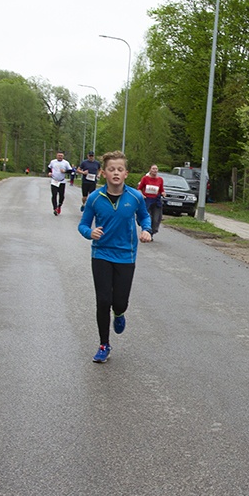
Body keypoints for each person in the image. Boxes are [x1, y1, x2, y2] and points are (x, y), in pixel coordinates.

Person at [78, 150, 153, 363]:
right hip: (101, 253)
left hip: (126, 255)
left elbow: (144, 217)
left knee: (119, 303)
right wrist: (89, 233)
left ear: (126, 173)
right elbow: (83, 224)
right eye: (112, 169)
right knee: (103, 300)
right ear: (103, 173)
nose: (116, 173)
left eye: (120, 169)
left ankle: (119, 314)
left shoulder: (135, 197)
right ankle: (104, 344)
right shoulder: (95, 198)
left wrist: (146, 230)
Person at [137, 164, 165, 237]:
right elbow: (139, 188)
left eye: (156, 169)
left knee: (156, 219)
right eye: (153, 169)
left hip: (156, 201)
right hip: (147, 200)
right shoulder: (145, 178)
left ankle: (152, 232)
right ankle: (147, 231)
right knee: (148, 217)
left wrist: (163, 193)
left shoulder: (160, 179)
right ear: (150, 170)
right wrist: (141, 195)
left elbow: (161, 190)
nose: (155, 170)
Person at [47, 151, 72, 215]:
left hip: (62, 181)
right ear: (56, 156)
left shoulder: (66, 163)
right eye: (59, 155)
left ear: (63, 156)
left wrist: (65, 171)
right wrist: (49, 172)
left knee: (61, 196)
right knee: (54, 194)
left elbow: (70, 170)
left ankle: (59, 205)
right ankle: (55, 208)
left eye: (61, 156)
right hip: (54, 180)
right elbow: (49, 167)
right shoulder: (53, 162)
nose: (60, 157)